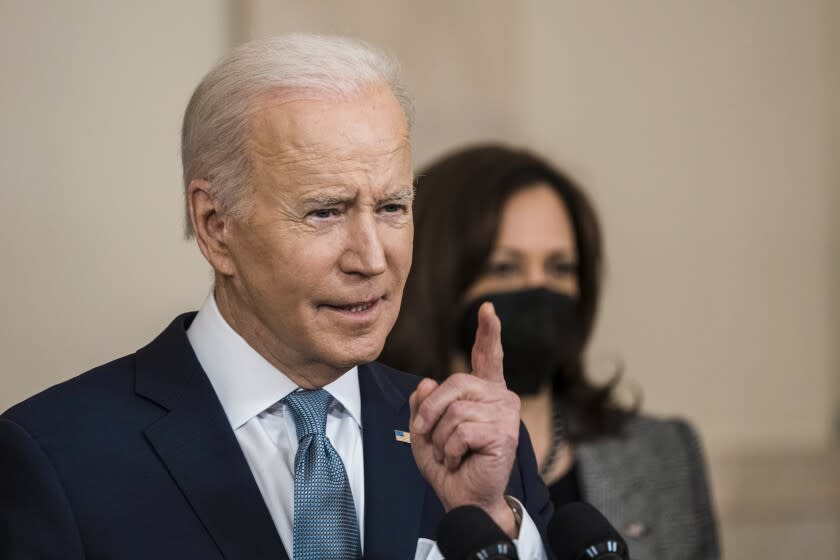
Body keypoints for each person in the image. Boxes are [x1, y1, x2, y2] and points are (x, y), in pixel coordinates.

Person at [0, 37, 551, 560]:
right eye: (325, 212)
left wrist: (487, 525)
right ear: (216, 227)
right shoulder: (53, 457)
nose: (371, 258)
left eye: (391, 208)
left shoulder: (476, 445)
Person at [382, 144, 721, 559]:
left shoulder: (664, 454)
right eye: (505, 268)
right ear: (437, 281)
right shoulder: (369, 452)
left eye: (560, 268)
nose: (538, 289)